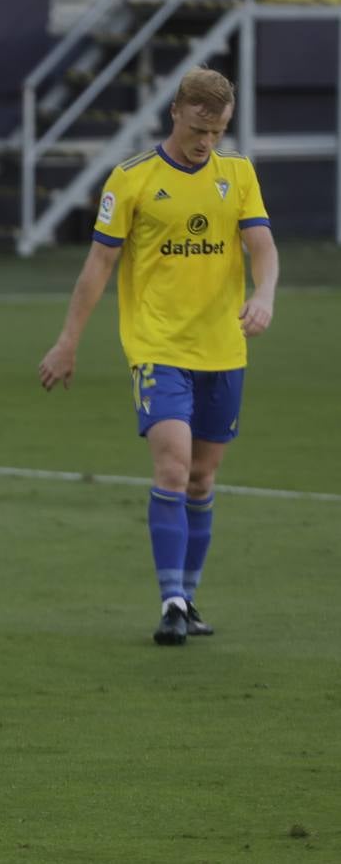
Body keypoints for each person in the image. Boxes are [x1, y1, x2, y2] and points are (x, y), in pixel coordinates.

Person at [38, 67, 278, 646]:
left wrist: (264, 293)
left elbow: (263, 247)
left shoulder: (238, 173)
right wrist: (68, 340)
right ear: (176, 112)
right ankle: (170, 600)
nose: (207, 140)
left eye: (217, 130)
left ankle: (188, 597)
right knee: (172, 466)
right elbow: (98, 266)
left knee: (202, 477)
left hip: (224, 348)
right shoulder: (132, 180)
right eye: (199, 127)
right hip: (158, 346)